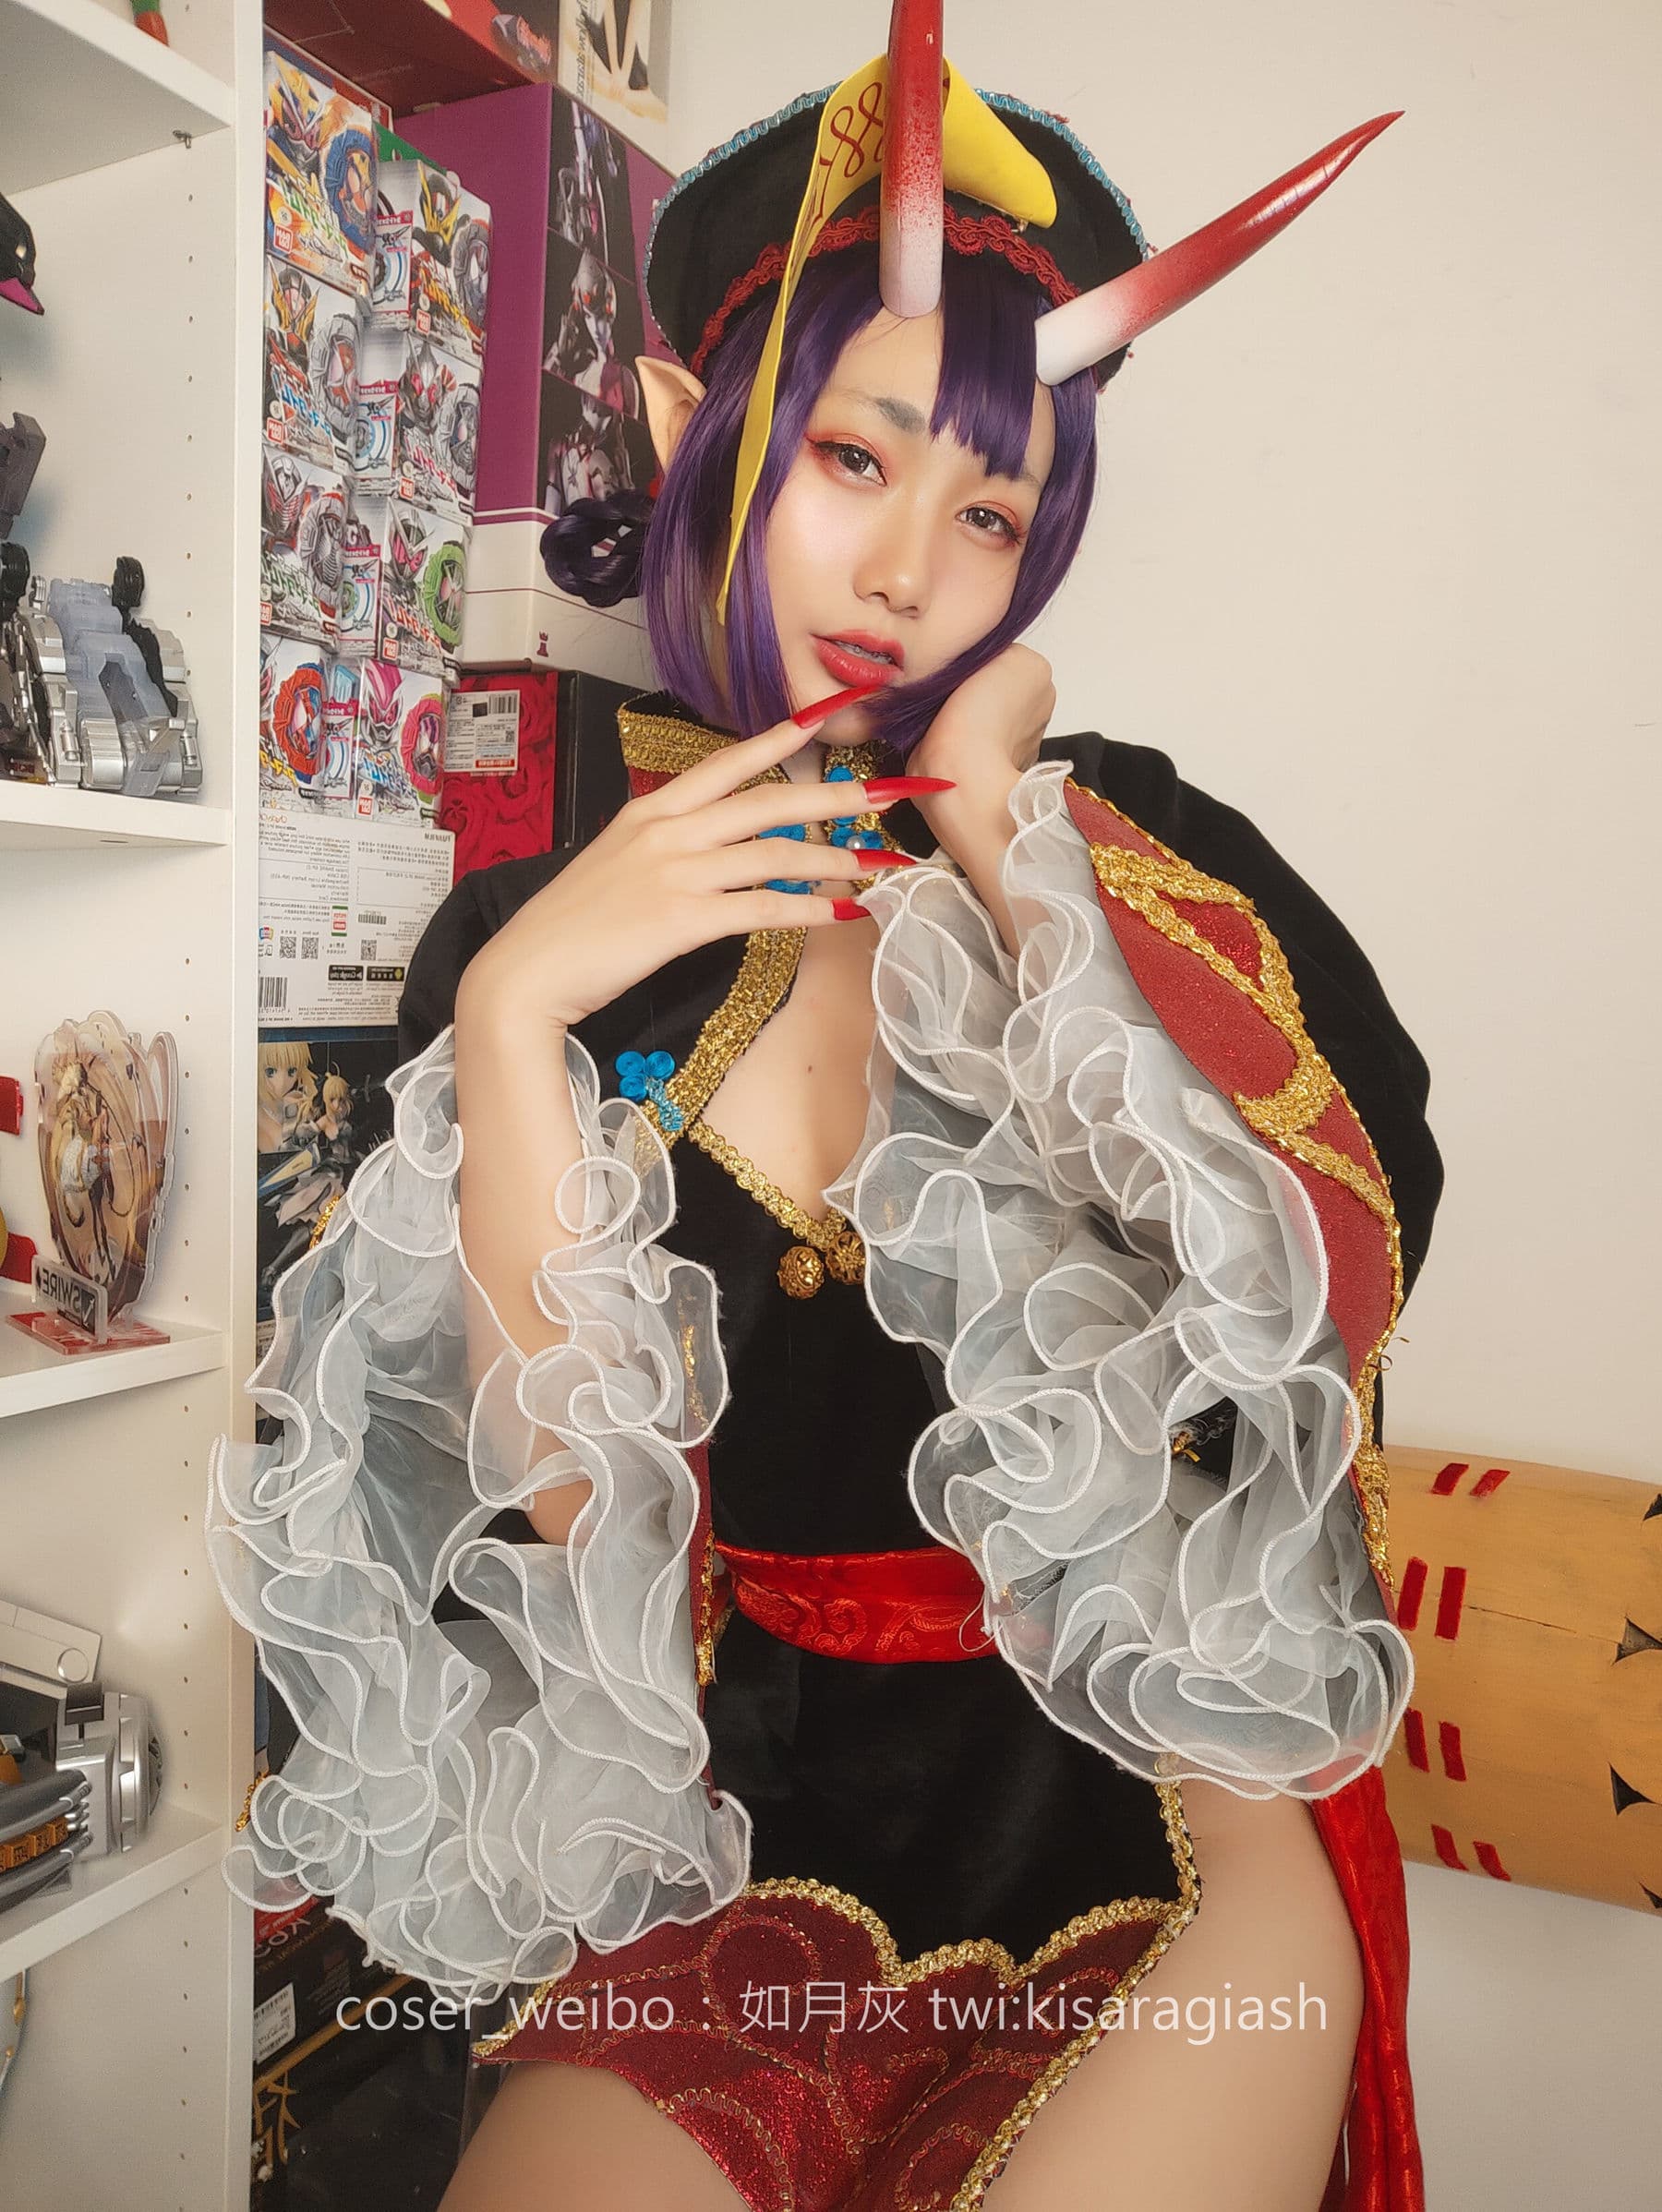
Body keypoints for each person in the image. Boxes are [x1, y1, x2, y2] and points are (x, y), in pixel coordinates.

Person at [207, 14, 1444, 2210]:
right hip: (746, 1848)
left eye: (991, 511)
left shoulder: (1137, 859)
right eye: (854, 461)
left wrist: (1006, 833)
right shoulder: (531, 932)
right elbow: (570, 1527)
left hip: (1159, 1802)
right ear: (683, 420)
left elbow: (1323, 1280)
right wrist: (515, 1007)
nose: (908, 575)